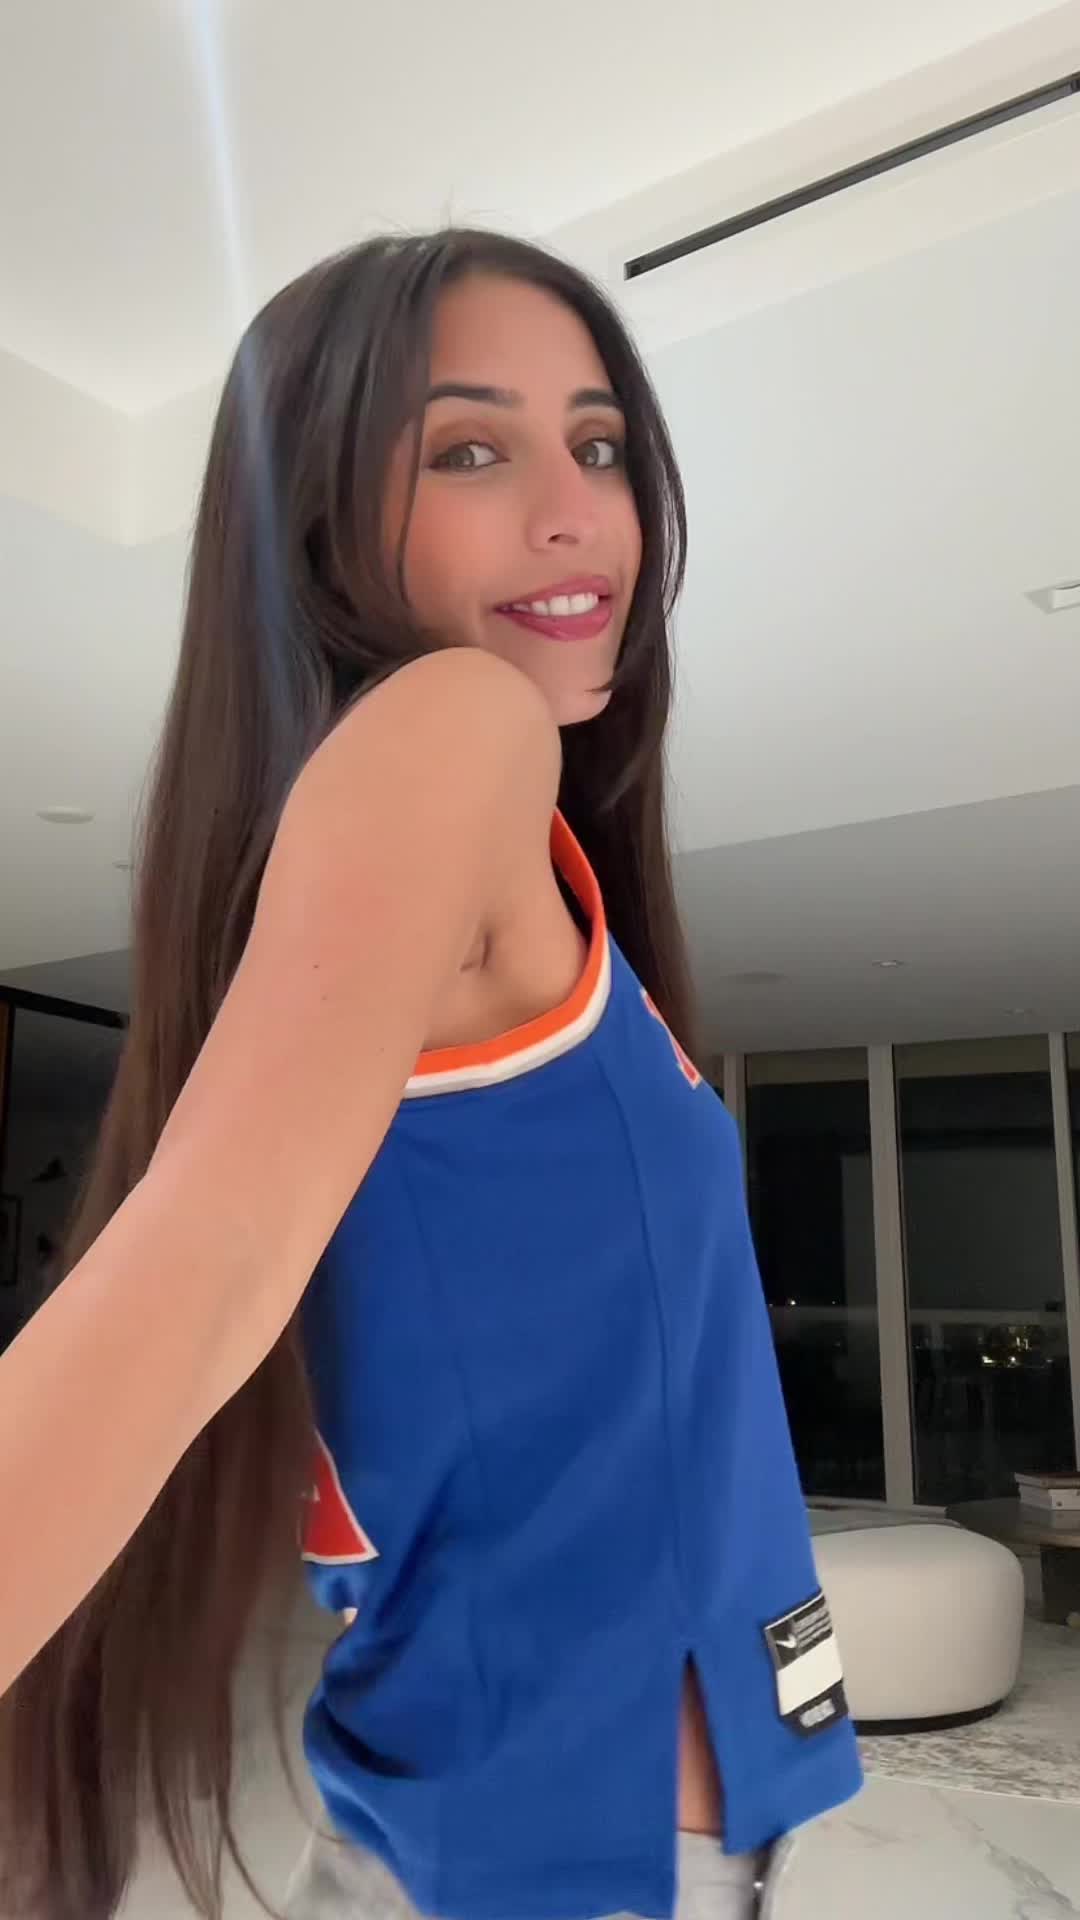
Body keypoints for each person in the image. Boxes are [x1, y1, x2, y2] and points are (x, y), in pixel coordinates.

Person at [0, 229, 861, 1920]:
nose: (576, 511)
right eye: (470, 450)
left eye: (599, 445)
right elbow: (207, 1255)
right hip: (550, 1856)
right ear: (323, 525)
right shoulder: (457, 723)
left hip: (593, 1832)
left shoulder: (533, 878)